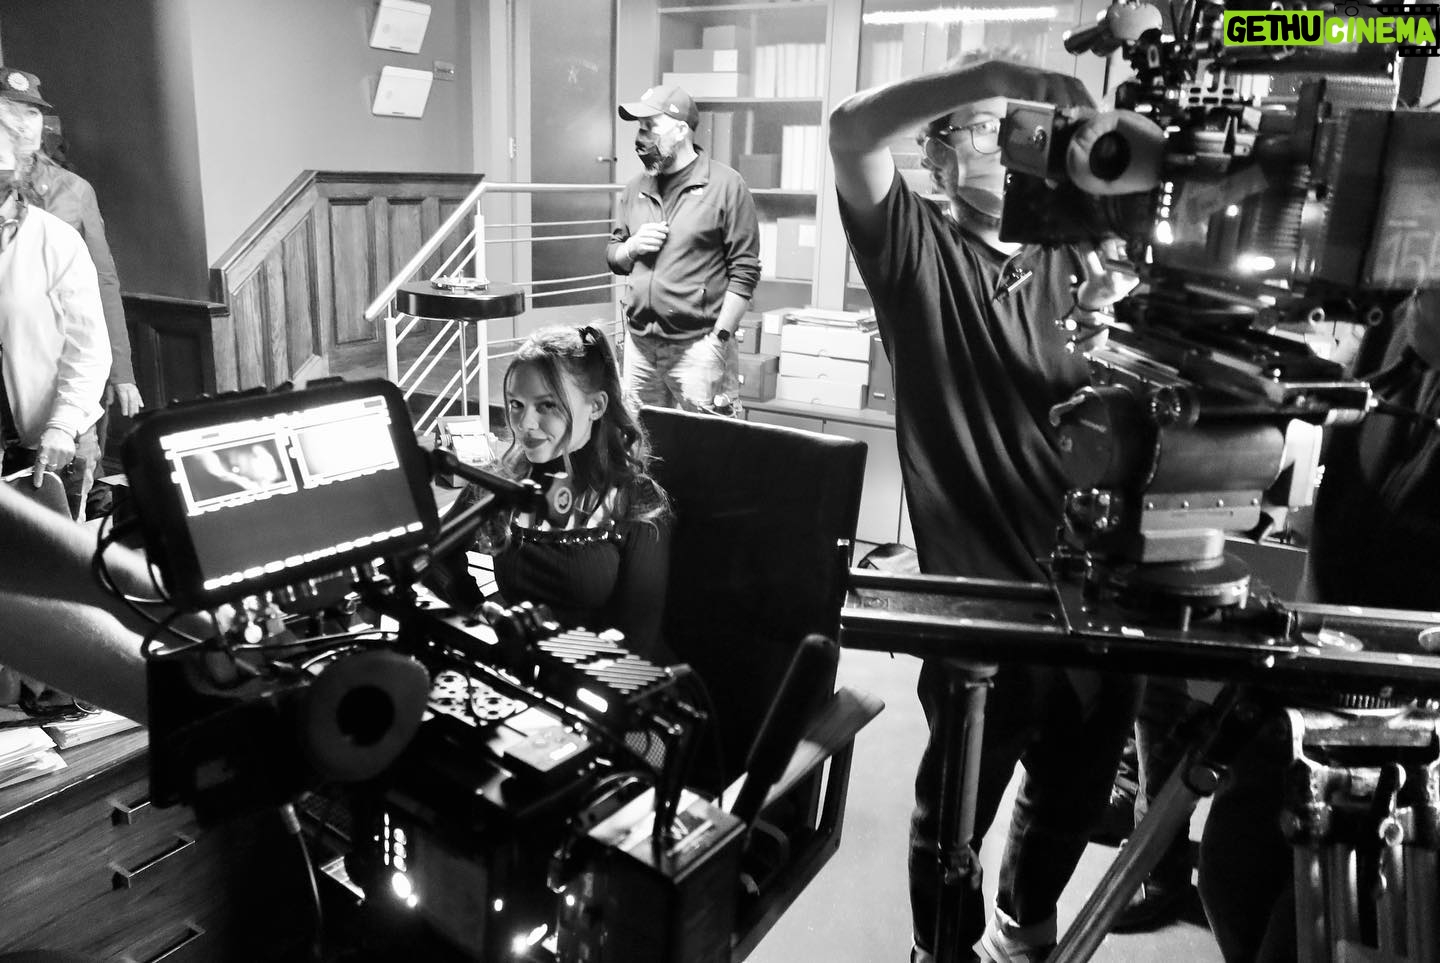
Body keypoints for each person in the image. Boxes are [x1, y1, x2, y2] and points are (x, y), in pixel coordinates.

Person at [829, 56, 1143, 962]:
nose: (1008, 147)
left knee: (1073, 791)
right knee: (956, 806)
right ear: (933, 155)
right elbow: (849, 130)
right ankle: (941, 945)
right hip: (981, 599)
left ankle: (1022, 927)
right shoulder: (915, 252)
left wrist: (1116, 314)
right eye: (981, 128)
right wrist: (995, 70)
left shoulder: (1079, 256)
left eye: (1020, 128)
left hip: (1097, 586)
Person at [1198, 288, 1440, 962]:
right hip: (1312, 674)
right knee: (1231, 874)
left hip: (1418, 729)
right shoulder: (1393, 307)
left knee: (1319, 937)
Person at [426, 324, 673, 664]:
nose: (524, 423)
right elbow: (434, 561)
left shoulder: (637, 502)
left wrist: (542, 653)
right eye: (516, 404)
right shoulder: (500, 482)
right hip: (517, 672)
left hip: (606, 682)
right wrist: (479, 612)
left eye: (546, 406)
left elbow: (635, 641)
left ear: (597, 406)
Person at [0, 69, 142, 505]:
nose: (26, 124)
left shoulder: (69, 196)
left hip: (52, 397)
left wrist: (121, 373)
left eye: (33, 113)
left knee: (76, 494)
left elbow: (102, 283)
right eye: (14, 112)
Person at [607, 84, 760, 417]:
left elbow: (745, 271)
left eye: (650, 126)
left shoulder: (726, 186)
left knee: (707, 442)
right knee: (641, 439)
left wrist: (718, 340)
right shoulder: (635, 188)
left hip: (699, 348)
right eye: (639, 128)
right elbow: (614, 256)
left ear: (680, 131)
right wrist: (631, 247)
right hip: (640, 347)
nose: (641, 137)